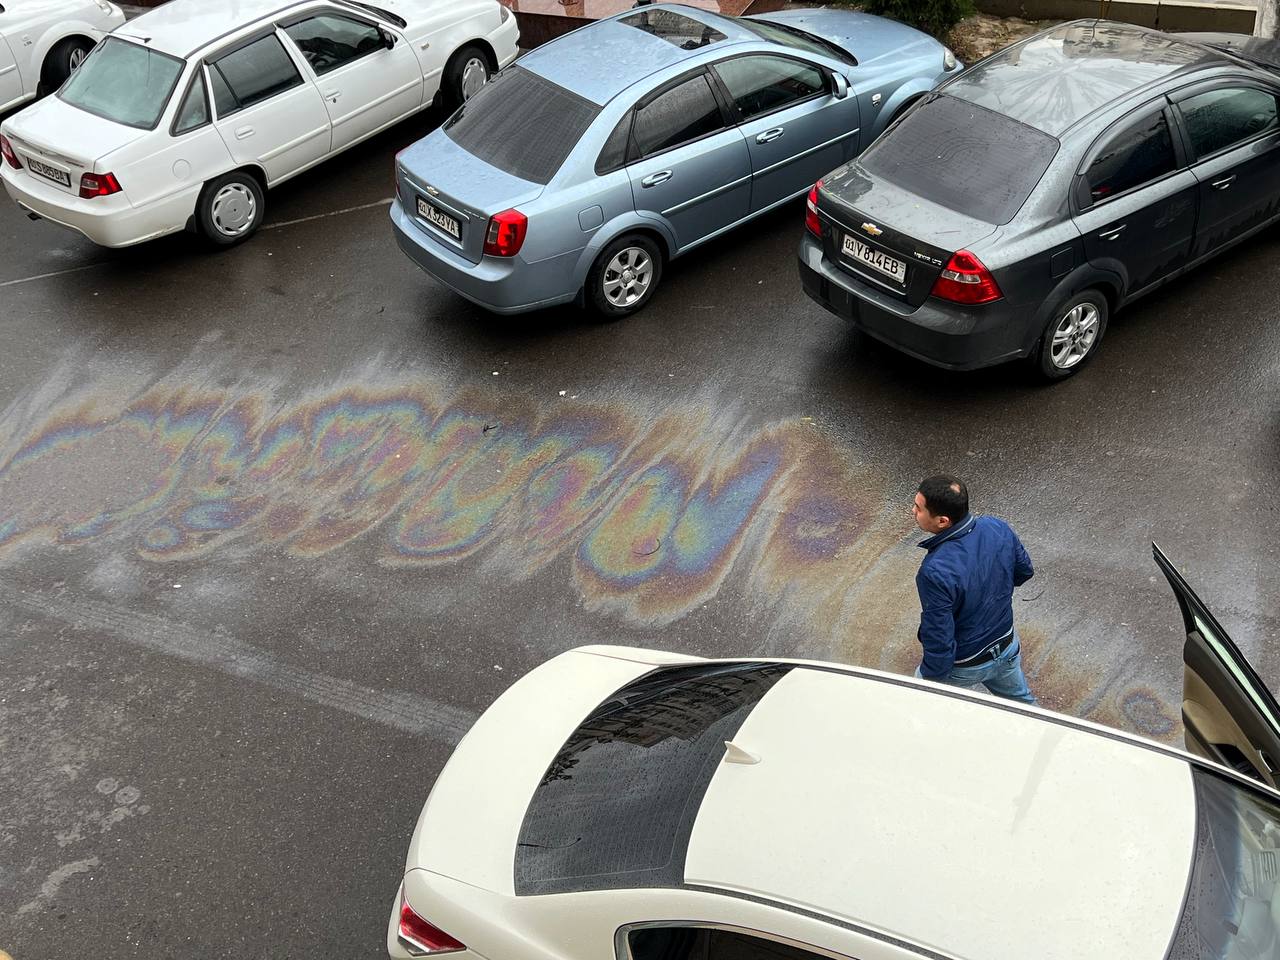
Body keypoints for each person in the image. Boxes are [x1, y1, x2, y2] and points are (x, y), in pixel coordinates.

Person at [910, 475, 1038, 704]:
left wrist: (930, 684)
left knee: (918, 707)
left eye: (919, 508)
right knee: (1025, 709)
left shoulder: (935, 571)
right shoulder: (997, 527)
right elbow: (1024, 571)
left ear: (942, 521)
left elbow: (939, 637)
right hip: (1006, 645)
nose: (913, 511)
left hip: (966, 665)